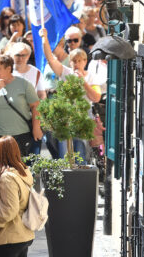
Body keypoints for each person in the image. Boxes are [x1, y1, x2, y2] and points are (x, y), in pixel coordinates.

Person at [41, 28, 102, 160]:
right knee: (66, 156)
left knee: (82, 156)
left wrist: (83, 82)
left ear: (85, 62)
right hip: (66, 121)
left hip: (84, 121)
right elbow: (51, 60)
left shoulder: (91, 77)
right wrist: (44, 39)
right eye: (74, 61)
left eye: (80, 61)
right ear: (70, 62)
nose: (77, 63)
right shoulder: (66, 72)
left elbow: (96, 97)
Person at [0, 55, 42, 157]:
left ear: (8, 69)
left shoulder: (24, 84)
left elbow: (36, 106)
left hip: (20, 135)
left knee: (19, 170)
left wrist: (36, 127)